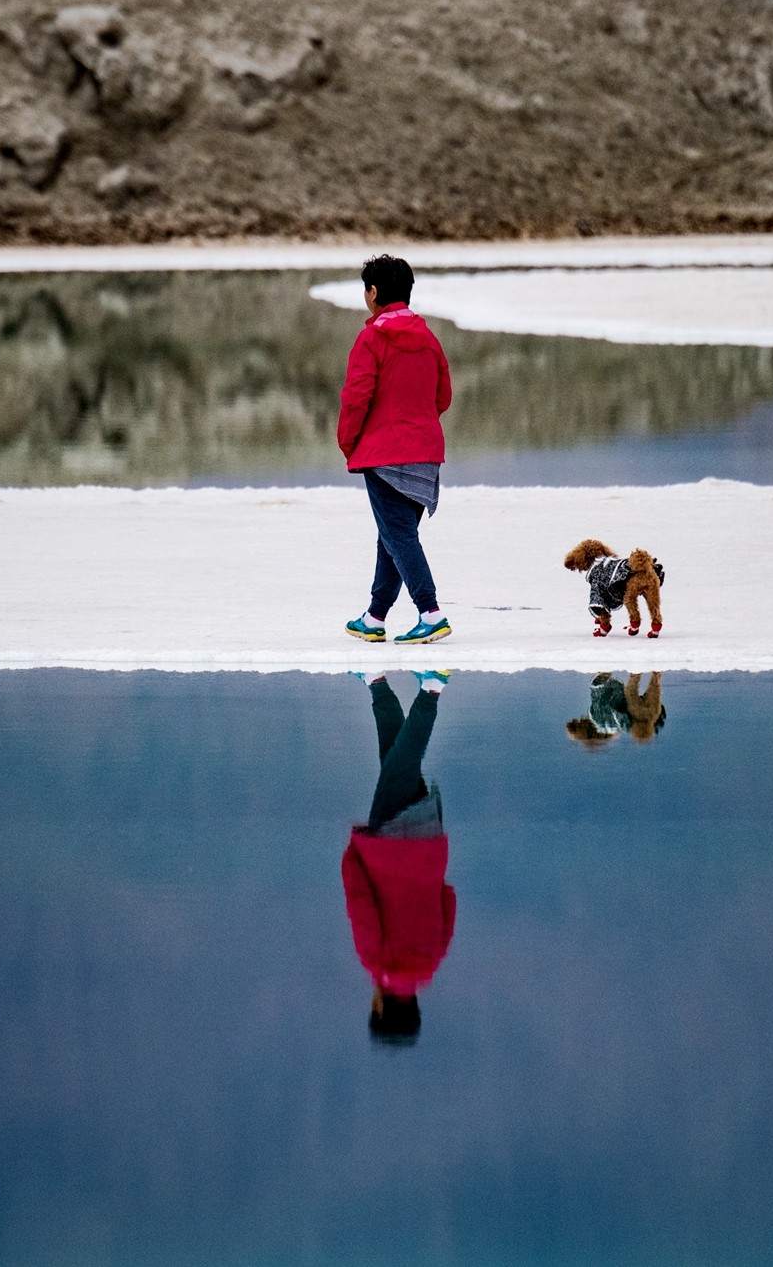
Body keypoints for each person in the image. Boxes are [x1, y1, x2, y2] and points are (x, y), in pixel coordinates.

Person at [339, 255, 454, 647]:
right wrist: (417, 425)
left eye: (366, 290)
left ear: (373, 293)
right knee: (392, 535)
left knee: (399, 535)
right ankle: (374, 616)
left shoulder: (371, 338)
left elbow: (356, 398)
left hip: (384, 455)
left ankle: (431, 612)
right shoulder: (429, 338)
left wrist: (349, 442)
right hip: (425, 453)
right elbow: (443, 396)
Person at [343, 670, 456, 1044]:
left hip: (427, 844)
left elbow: (449, 900)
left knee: (395, 764)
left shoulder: (433, 961)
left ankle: (377, 684)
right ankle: (432, 690)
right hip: (387, 846)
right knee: (401, 763)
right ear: (380, 1008)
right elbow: (360, 904)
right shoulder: (378, 962)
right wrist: (352, 859)